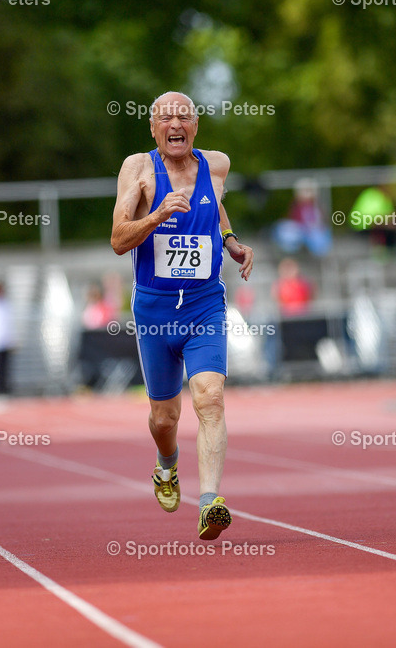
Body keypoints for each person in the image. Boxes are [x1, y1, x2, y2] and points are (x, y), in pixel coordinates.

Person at [111, 90, 254, 539]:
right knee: (164, 419)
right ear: (153, 129)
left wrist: (230, 240)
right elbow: (117, 239)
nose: (176, 124)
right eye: (166, 118)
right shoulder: (138, 169)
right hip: (155, 309)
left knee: (209, 397)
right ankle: (167, 465)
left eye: (184, 117)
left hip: (204, 303)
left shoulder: (216, 165)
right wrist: (156, 216)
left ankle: (210, 501)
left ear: (196, 127)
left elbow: (216, 202)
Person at [273, 178, 331, 256]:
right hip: (301, 231)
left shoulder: (316, 207)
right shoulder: (297, 206)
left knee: (318, 238)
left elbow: (319, 223)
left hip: (312, 233)